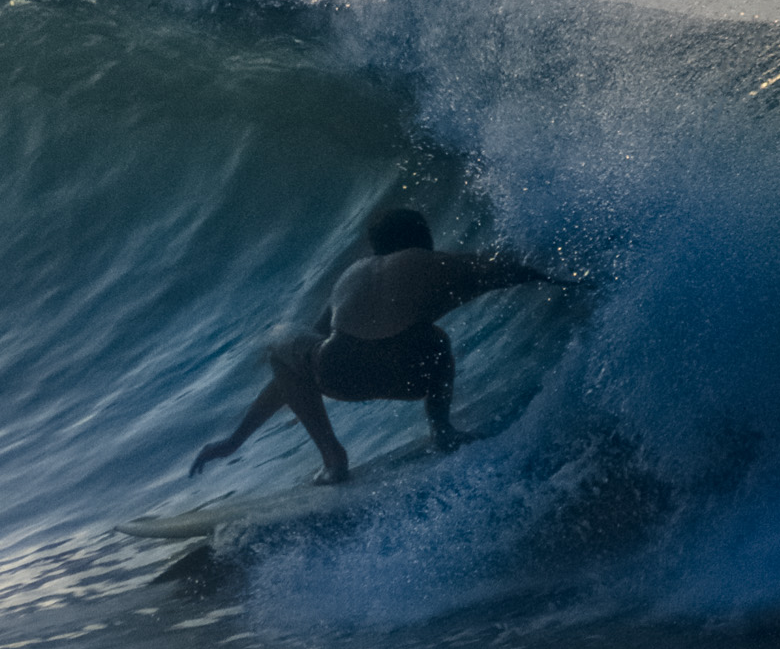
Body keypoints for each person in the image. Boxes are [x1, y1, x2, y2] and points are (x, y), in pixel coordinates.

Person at [190, 207, 560, 484]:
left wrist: (234, 440)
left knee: (281, 347)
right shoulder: (431, 262)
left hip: (340, 374)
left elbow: (298, 366)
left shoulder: (352, 276)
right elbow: (501, 269)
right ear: (423, 239)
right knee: (433, 339)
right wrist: (561, 274)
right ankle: (442, 429)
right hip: (408, 375)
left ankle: (333, 459)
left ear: (376, 247)